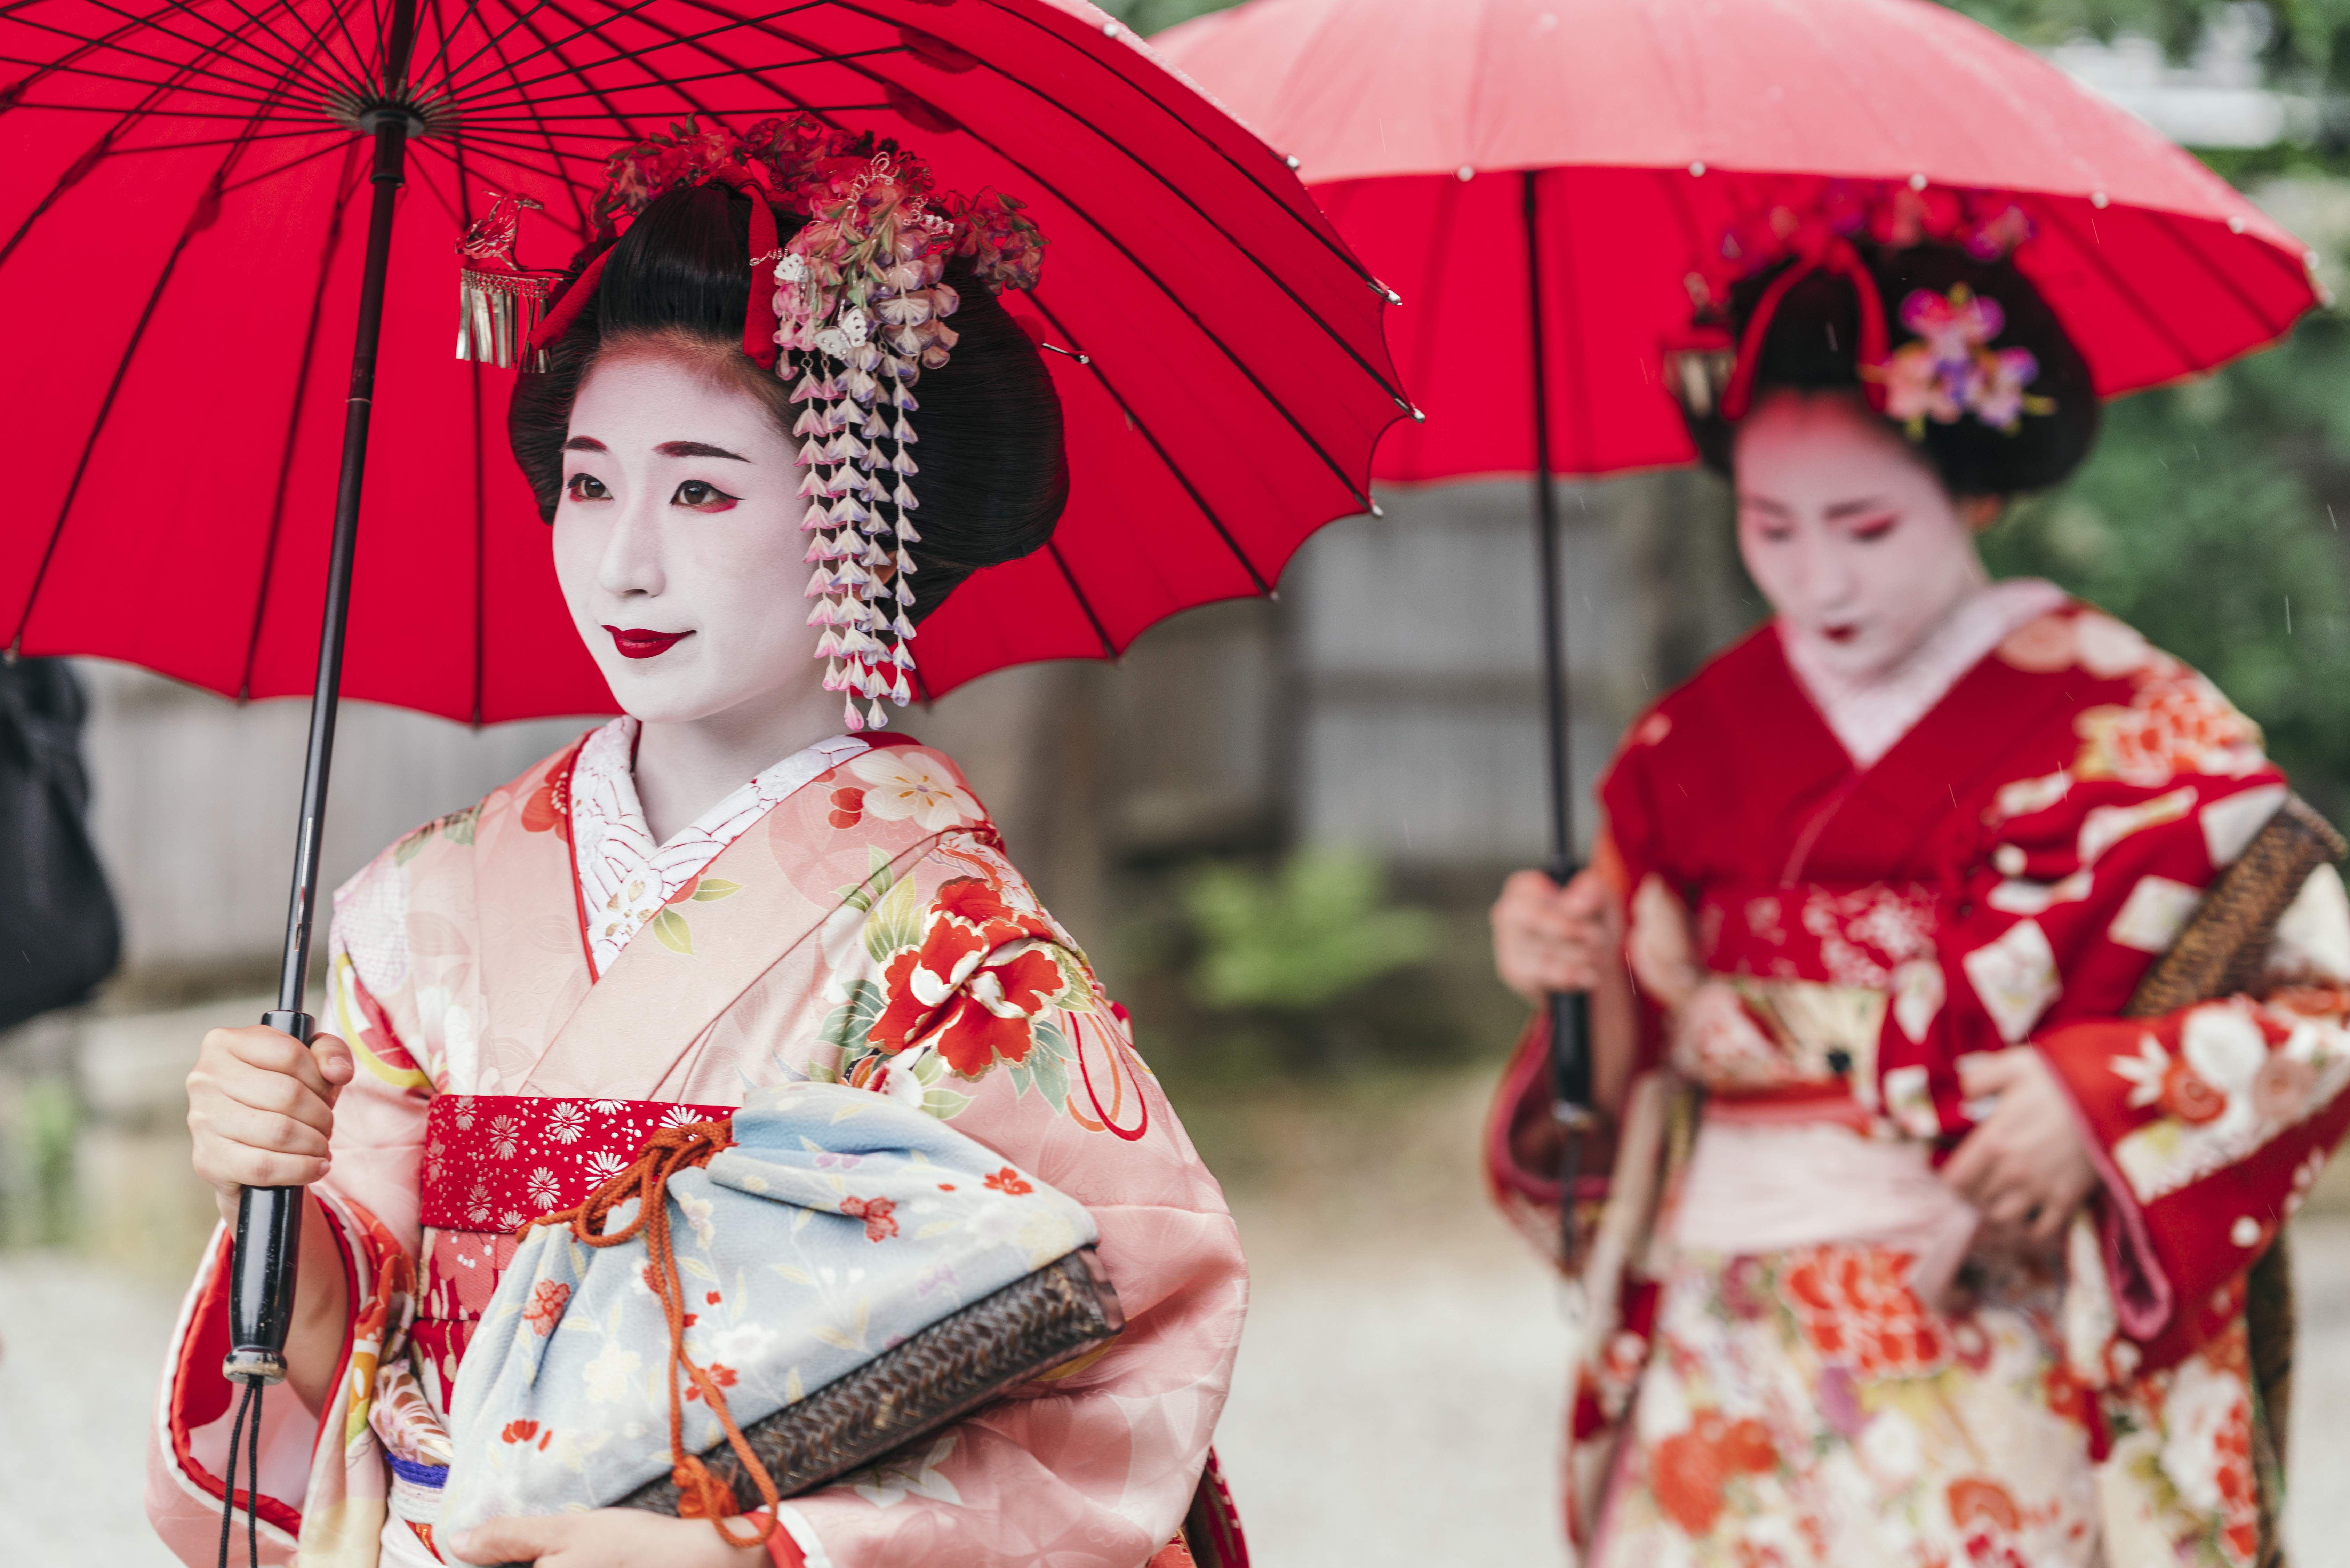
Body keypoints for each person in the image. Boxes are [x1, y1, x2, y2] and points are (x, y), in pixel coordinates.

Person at [147, 121, 1246, 1568]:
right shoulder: (423, 902)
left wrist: (756, 1546)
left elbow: (1117, 1355)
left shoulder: (958, 949)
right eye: (590, 483)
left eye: (701, 488)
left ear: (860, 514)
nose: (623, 561)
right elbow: (350, 1340)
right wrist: (276, 1209)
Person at [1484, 191, 2350, 1567]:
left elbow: (2323, 1006)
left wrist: (2094, 1100)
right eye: (1770, 524)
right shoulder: (1686, 747)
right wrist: (1571, 974)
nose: (1816, 576)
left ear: (1977, 488)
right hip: (1729, 1322)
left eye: (1866, 524)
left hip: (1998, 1318)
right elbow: (1623, 1076)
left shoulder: (2135, 723)